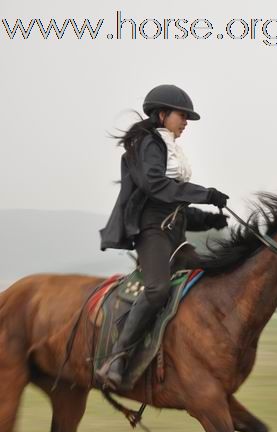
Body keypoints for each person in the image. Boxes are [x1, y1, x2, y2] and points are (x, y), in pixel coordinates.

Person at [96, 84, 230, 390]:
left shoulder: (168, 146)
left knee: (212, 274)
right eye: (182, 116)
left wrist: (211, 219)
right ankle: (116, 358)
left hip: (175, 238)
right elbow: (156, 188)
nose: (185, 122)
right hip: (151, 233)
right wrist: (205, 194)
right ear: (162, 114)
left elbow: (174, 207)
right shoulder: (148, 143)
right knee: (157, 289)